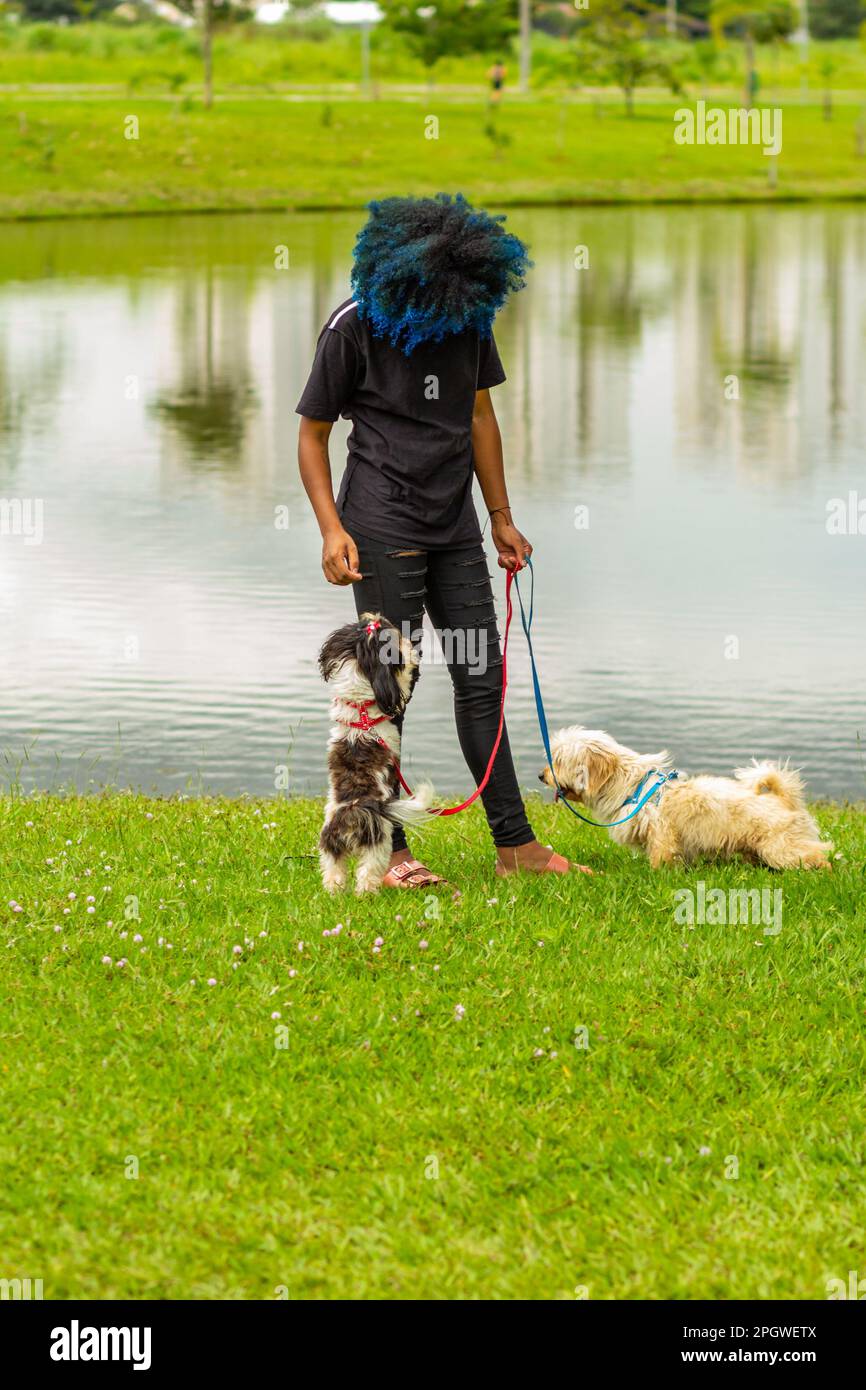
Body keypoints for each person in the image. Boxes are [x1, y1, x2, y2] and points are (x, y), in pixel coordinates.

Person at [296, 193, 589, 887]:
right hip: (381, 527)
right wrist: (331, 529)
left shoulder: (466, 318)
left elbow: (481, 415)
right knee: (386, 691)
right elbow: (312, 434)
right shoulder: (352, 327)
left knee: (480, 679)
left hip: (454, 527)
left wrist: (501, 516)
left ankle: (515, 846)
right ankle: (392, 853)